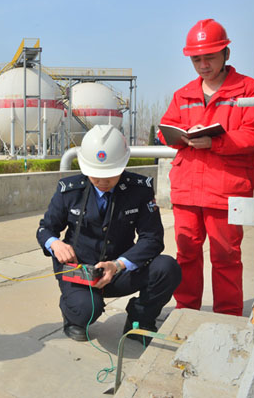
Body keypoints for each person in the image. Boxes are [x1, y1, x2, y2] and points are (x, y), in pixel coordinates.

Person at [37, 125, 181, 344]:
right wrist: (55, 243)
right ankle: (73, 315)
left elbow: (152, 238)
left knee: (167, 268)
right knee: (86, 311)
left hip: (119, 270)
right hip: (80, 271)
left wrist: (119, 265)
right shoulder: (70, 190)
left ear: (122, 165)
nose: (103, 181)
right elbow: (45, 229)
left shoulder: (139, 190)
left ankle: (140, 320)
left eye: (110, 175)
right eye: (96, 175)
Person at [159, 18, 254, 316]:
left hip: (225, 189)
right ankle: (185, 311)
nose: (203, 65)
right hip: (187, 189)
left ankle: (228, 316)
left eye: (209, 57)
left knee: (226, 255)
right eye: (196, 59)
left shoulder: (249, 91)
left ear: (226, 53)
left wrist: (216, 142)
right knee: (186, 254)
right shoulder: (183, 94)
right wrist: (177, 136)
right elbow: (166, 129)